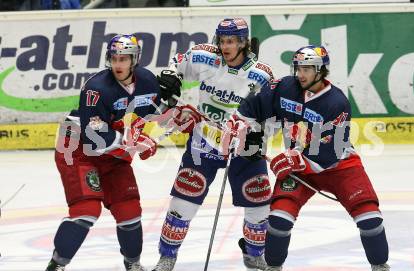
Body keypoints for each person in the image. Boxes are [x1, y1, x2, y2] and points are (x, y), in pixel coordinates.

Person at [231, 45, 390, 271]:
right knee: (278, 220)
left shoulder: (336, 102)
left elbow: (330, 151)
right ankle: (273, 267)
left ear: (321, 70)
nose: (301, 74)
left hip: (339, 166)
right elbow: (251, 107)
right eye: (298, 68)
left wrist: (294, 160)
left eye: (307, 68)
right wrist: (247, 131)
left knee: (370, 219)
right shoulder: (285, 87)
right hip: (297, 169)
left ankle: (380, 266)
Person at [45, 34, 177, 271]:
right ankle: (56, 265)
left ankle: (133, 264)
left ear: (134, 60)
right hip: (77, 147)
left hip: (111, 148)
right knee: (86, 211)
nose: (118, 64)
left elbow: (156, 111)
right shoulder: (96, 89)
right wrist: (136, 142)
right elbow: (95, 139)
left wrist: (174, 105)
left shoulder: (146, 80)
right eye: (114, 58)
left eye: (124, 58)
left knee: (130, 211)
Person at [151, 18, 275, 271]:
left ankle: (254, 255)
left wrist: (258, 134)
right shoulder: (204, 56)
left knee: (259, 202)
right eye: (221, 40)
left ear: (243, 42)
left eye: (231, 41)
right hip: (204, 140)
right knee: (183, 201)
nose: (225, 46)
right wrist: (170, 77)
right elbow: (175, 65)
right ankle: (167, 257)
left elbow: (272, 114)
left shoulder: (262, 75)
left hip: (243, 148)